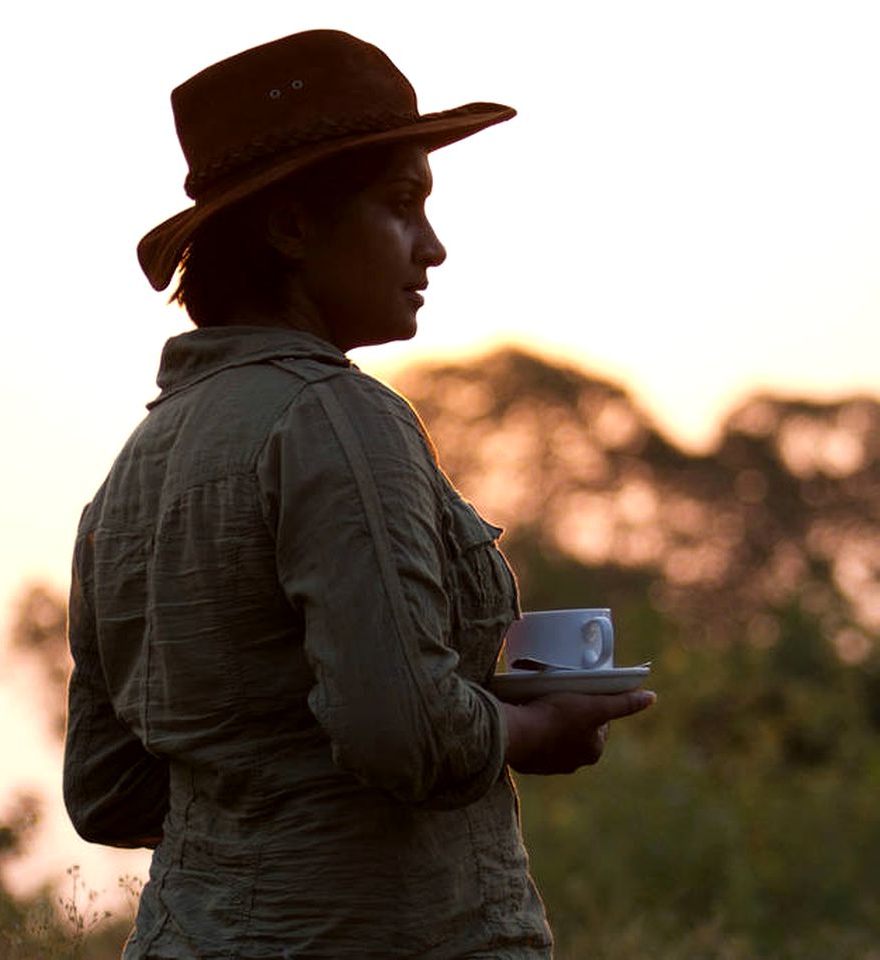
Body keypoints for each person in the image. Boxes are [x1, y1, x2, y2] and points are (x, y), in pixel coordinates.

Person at [64, 29, 655, 959]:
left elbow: (107, 792)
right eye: (400, 205)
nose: (434, 246)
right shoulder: (339, 419)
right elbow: (405, 735)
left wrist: (259, 809)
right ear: (292, 227)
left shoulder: (137, 464)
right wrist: (536, 728)